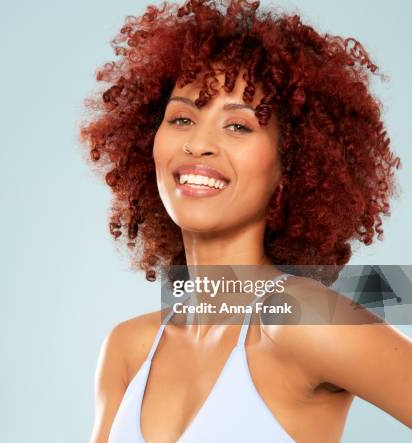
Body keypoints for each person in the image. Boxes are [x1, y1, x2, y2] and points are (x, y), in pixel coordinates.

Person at [78, 1, 412, 441]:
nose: (199, 144)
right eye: (181, 118)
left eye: (238, 126)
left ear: (290, 163)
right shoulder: (127, 349)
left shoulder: (300, 318)